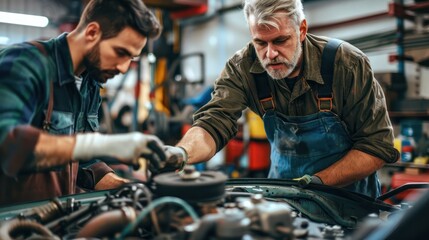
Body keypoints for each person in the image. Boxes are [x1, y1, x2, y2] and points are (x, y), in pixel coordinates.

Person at [165, 0, 400, 198]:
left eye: (280, 40)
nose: (270, 54)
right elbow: (213, 123)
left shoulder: (346, 64)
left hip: (350, 203)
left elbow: (377, 147)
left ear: (302, 30)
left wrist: (312, 183)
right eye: (260, 43)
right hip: (283, 199)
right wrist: (181, 154)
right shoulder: (243, 68)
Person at [0, 0, 167, 205]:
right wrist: (102, 144)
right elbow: (7, 143)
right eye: (121, 53)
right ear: (92, 33)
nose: (124, 68)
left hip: (52, 220)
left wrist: (126, 187)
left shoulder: (91, 84)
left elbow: (82, 160)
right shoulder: (26, 63)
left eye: (131, 58)